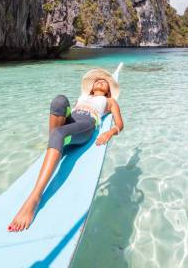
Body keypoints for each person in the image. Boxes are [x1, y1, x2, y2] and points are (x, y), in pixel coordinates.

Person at [8, 68, 124, 232]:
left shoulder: (110, 102)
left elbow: (120, 124)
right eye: (98, 80)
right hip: (73, 119)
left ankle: (34, 198)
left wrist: (110, 132)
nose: (101, 81)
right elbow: (67, 113)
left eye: (105, 82)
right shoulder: (83, 97)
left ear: (109, 91)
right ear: (91, 87)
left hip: (87, 124)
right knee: (59, 100)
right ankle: (55, 144)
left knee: (59, 133)